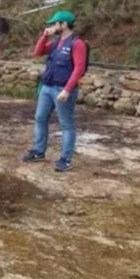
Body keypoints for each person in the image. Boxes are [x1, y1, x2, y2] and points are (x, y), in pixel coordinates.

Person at [22, 10, 87, 172]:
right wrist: (45, 36)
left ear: (63, 24)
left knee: (66, 124)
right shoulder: (56, 41)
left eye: (54, 23)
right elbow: (37, 52)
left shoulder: (77, 43)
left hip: (62, 89)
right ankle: (39, 151)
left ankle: (65, 159)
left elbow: (78, 69)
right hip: (47, 86)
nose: (52, 26)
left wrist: (67, 90)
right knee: (40, 118)